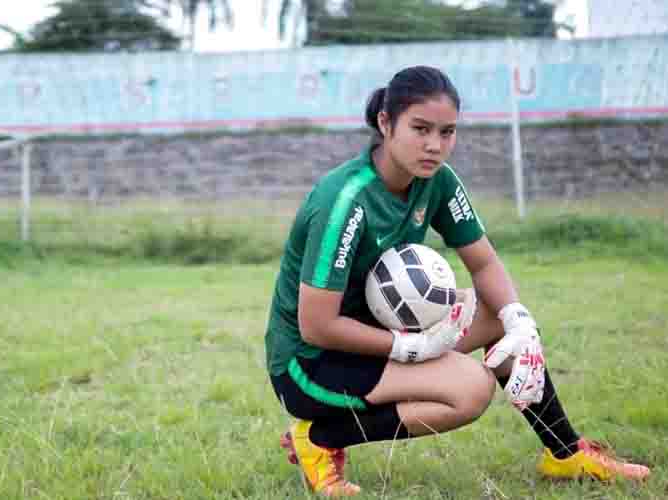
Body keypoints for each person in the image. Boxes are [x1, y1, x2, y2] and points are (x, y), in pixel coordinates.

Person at [264, 65, 651, 497]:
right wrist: (410, 348)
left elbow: (483, 264)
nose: (434, 145)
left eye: (447, 132)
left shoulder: (438, 182)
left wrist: (518, 319)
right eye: (420, 128)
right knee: (470, 389)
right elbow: (316, 326)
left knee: (498, 315)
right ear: (385, 123)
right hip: (310, 364)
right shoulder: (345, 201)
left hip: (375, 335)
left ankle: (564, 453)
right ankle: (319, 438)